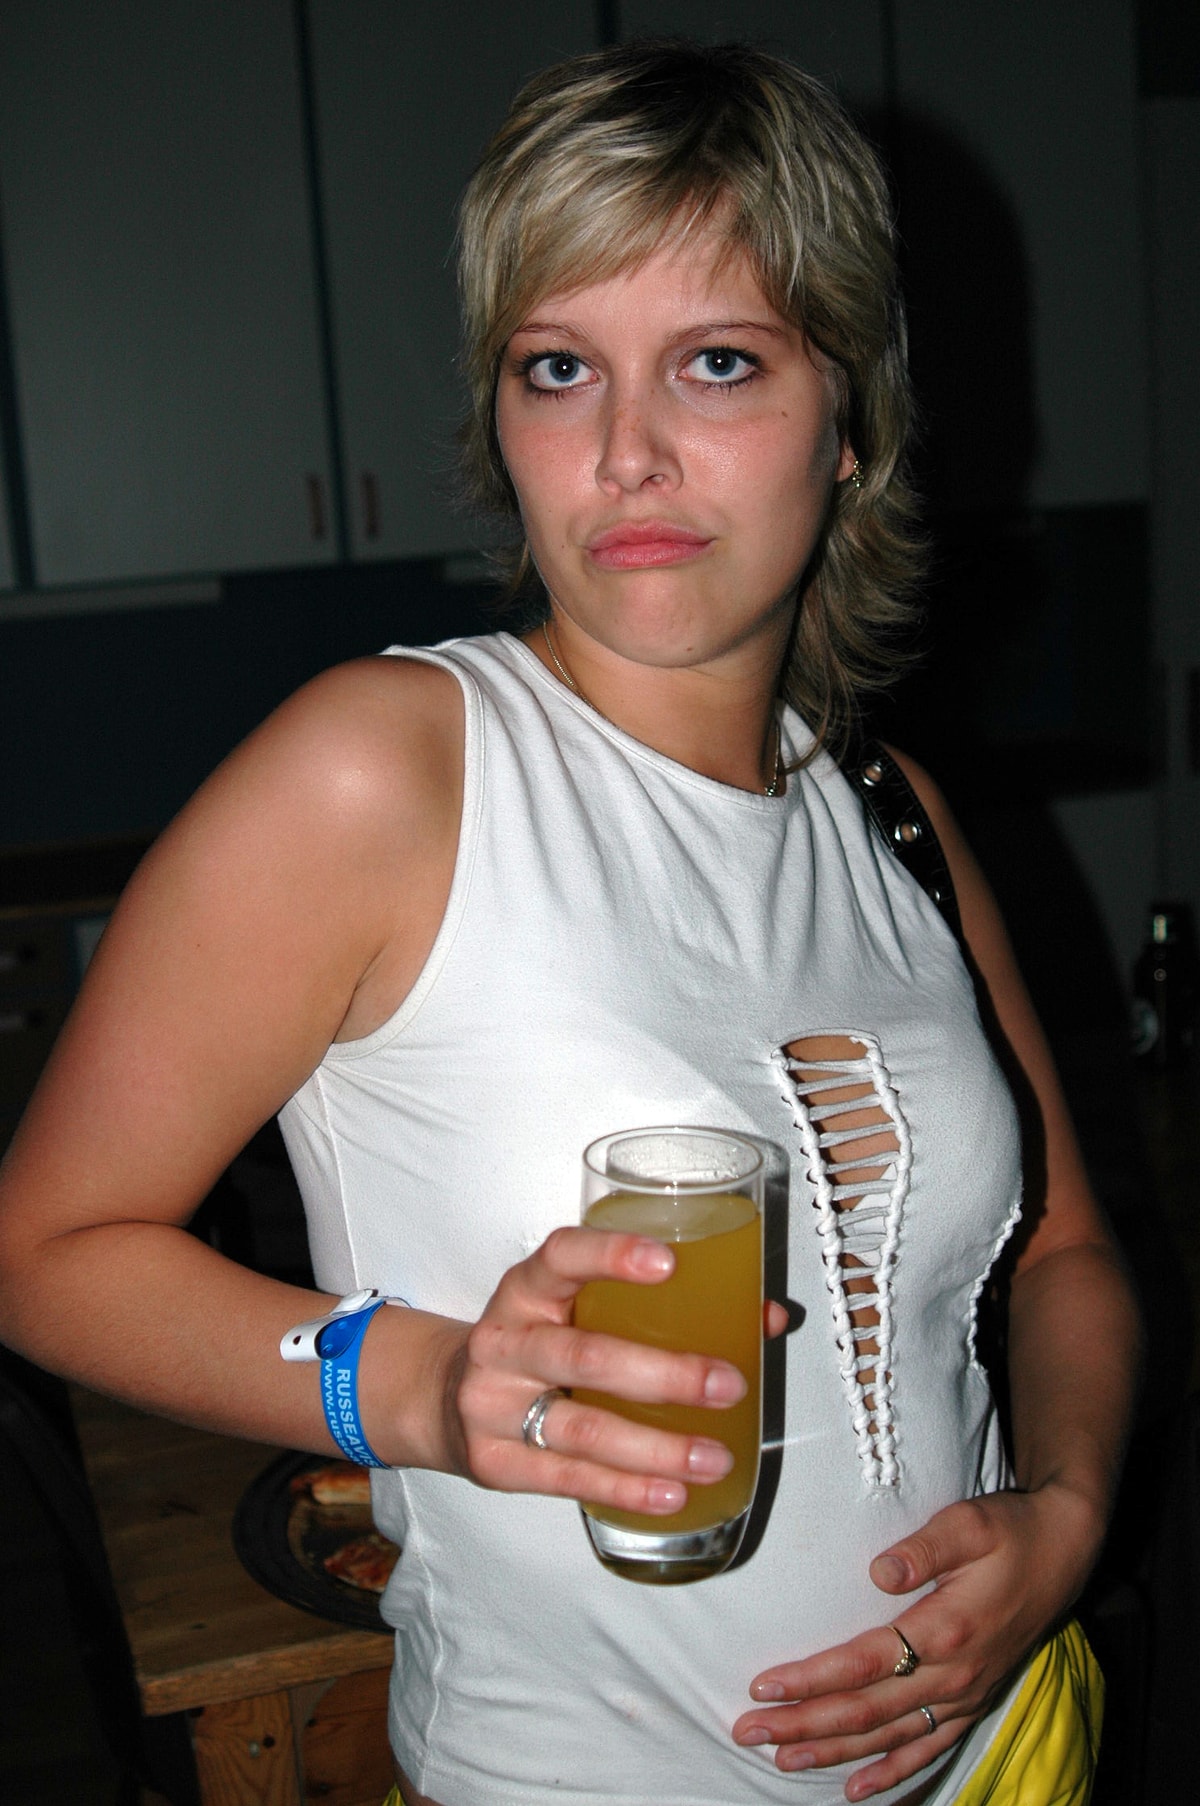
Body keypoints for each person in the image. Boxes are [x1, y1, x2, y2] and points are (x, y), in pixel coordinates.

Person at [0, 39, 1138, 1806]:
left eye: (718, 362)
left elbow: (1060, 1256)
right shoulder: (387, 774)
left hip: (1009, 1751)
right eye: (558, 369)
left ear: (851, 424)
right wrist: (419, 1385)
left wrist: (1063, 1515)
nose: (626, 453)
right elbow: (42, 1248)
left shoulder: (891, 807)